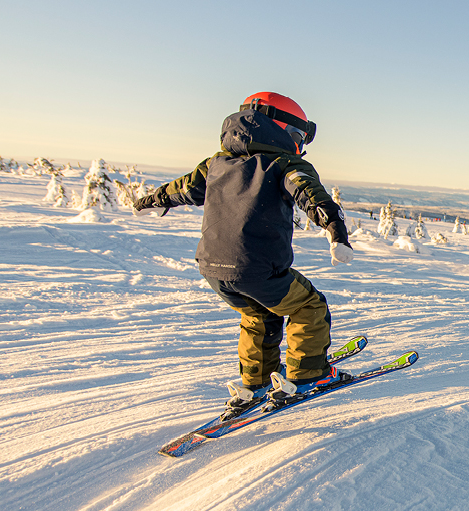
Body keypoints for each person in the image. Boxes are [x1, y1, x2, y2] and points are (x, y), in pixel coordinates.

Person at [134, 91, 355, 405]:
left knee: (257, 314)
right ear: (286, 132)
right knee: (308, 306)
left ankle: (259, 378)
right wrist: (336, 231)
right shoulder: (284, 162)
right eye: (300, 137)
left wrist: (151, 201)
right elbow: (311, 195)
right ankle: (309, 373)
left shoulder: (216, 163)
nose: (301, 146)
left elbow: (182, 188)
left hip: (212, 268)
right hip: (258, 268)